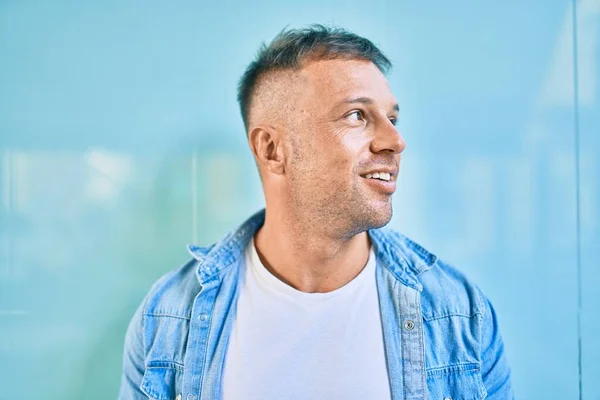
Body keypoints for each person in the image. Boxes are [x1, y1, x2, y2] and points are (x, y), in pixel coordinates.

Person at [119, 25, 513, 400]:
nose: (395, 140)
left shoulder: (459, 314)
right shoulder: (169, 318)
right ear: (272, 149)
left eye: (392, 118)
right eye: (357, 115)